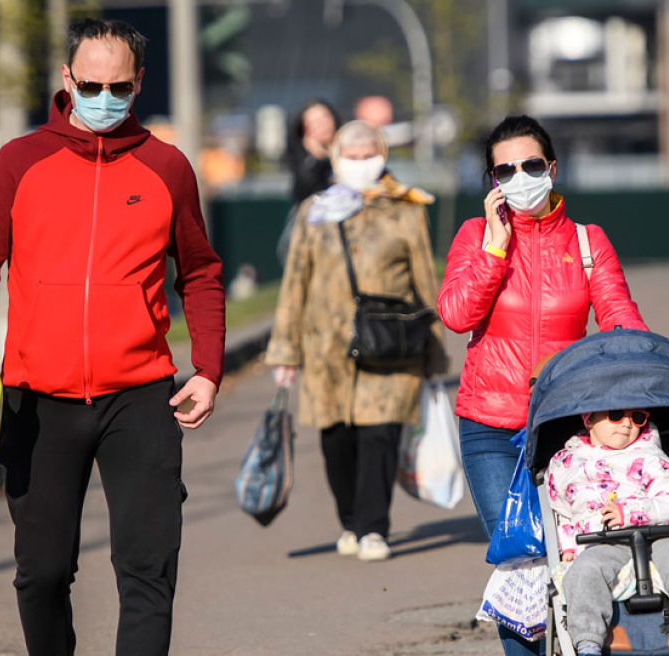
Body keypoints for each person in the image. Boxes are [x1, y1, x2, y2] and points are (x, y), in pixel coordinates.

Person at [0, 18, 225, 656]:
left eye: (117, 86)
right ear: (66, 79)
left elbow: (201, 272)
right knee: (41, 574)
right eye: (89, 84)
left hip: (140, 397)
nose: (102, 98)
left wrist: (207, 369)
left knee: (148, 570)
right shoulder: (19, 161)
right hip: (37, 398)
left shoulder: (167, 167)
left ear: (138, 83)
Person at [437, 114, 647, 656]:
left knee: (585, 557)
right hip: (488, 425)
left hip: (566, 427)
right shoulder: (474, 236)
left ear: (552, 169)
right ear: (492, 183)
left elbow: (622, 319)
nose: (520, 176)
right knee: (524, 562)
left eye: (531, 165)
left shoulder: (585, 241)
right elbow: (456, 314)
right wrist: (494, 247)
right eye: (505, 169)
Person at [266, 120, 448, 562]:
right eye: (353, 155)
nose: (363, 163)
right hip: (327, 349)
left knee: (380, 435)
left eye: (371, 153)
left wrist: (434, 347)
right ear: (335, 159)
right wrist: (285, 350)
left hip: (391, 343)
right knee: (336, 440)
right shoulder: (316, 210)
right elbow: (295, 282)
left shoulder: (407, 208)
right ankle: (349, 519)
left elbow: (425, 277)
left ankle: (373, 528)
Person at [547, 409, 669, 656]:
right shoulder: (565, 463)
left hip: (663, 534)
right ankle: (587, 644)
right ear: (589, 418)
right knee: (583, 572)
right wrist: (569, 547)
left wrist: (632, 512)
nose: (628, 424)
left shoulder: (650, 455)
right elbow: (563, 512)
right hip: (602, 541)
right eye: (616, 415)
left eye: (638, 417)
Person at [277, 99, 341, 264]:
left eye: (325, 117)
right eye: (314, 122)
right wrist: (316, 160)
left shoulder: (350, 152)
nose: (323, 125)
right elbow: (302, 192)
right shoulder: (305, 162)